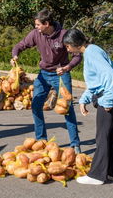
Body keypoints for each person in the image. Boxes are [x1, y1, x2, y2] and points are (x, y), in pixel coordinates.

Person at [11, 8, 82, 153]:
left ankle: (75, 144)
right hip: (43, 74)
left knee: (67, 108)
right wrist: (15, 55)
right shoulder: (35, 34)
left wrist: (67, 67)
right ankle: (41, 140)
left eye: (38, 25)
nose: (36, 27)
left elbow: (77, 55)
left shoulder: (64, 35)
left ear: (47, 23)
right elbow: (19, 45)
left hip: (61, 74)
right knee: (36, 105)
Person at [63, 29, 113, 185]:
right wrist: (84, 99)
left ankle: (97, 175)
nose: (68, 50)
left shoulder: (91, 53)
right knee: (111, 135)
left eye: (68, 46)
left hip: (110, 97)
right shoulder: (92, 50)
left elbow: (108, 74)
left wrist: (108, 100)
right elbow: (95, 83)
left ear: (74, 44)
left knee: (102, 136)